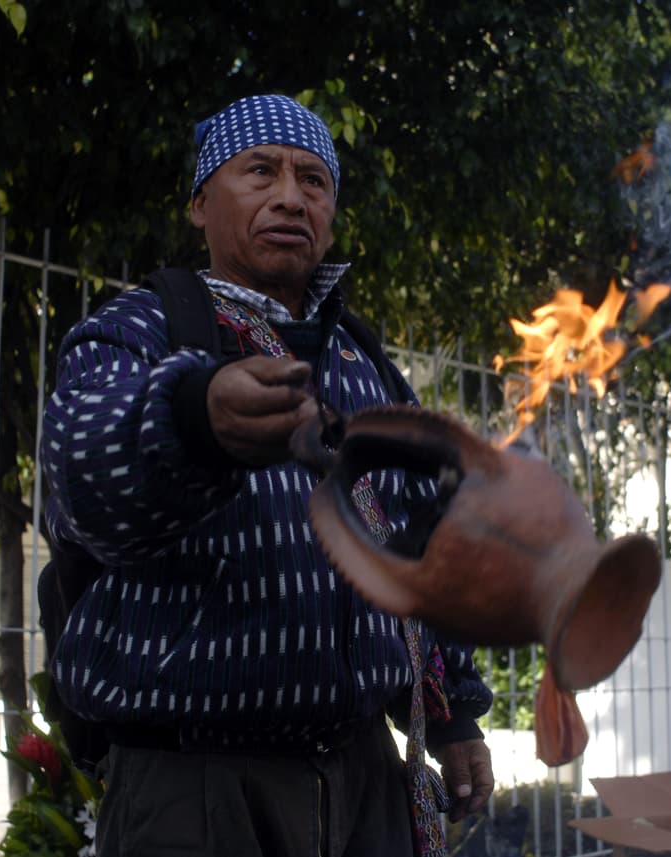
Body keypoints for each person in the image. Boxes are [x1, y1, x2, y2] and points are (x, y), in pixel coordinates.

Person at [41, 93, 494, 857]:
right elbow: (83, 481)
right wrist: (194, 416)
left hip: (365, 781)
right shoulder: (140, 328)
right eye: (260, 172)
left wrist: (455, 716)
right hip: (197, 789)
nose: (291, 196)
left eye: (314, 181)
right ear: (199, 202)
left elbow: (424, 547)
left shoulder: (363, 363)